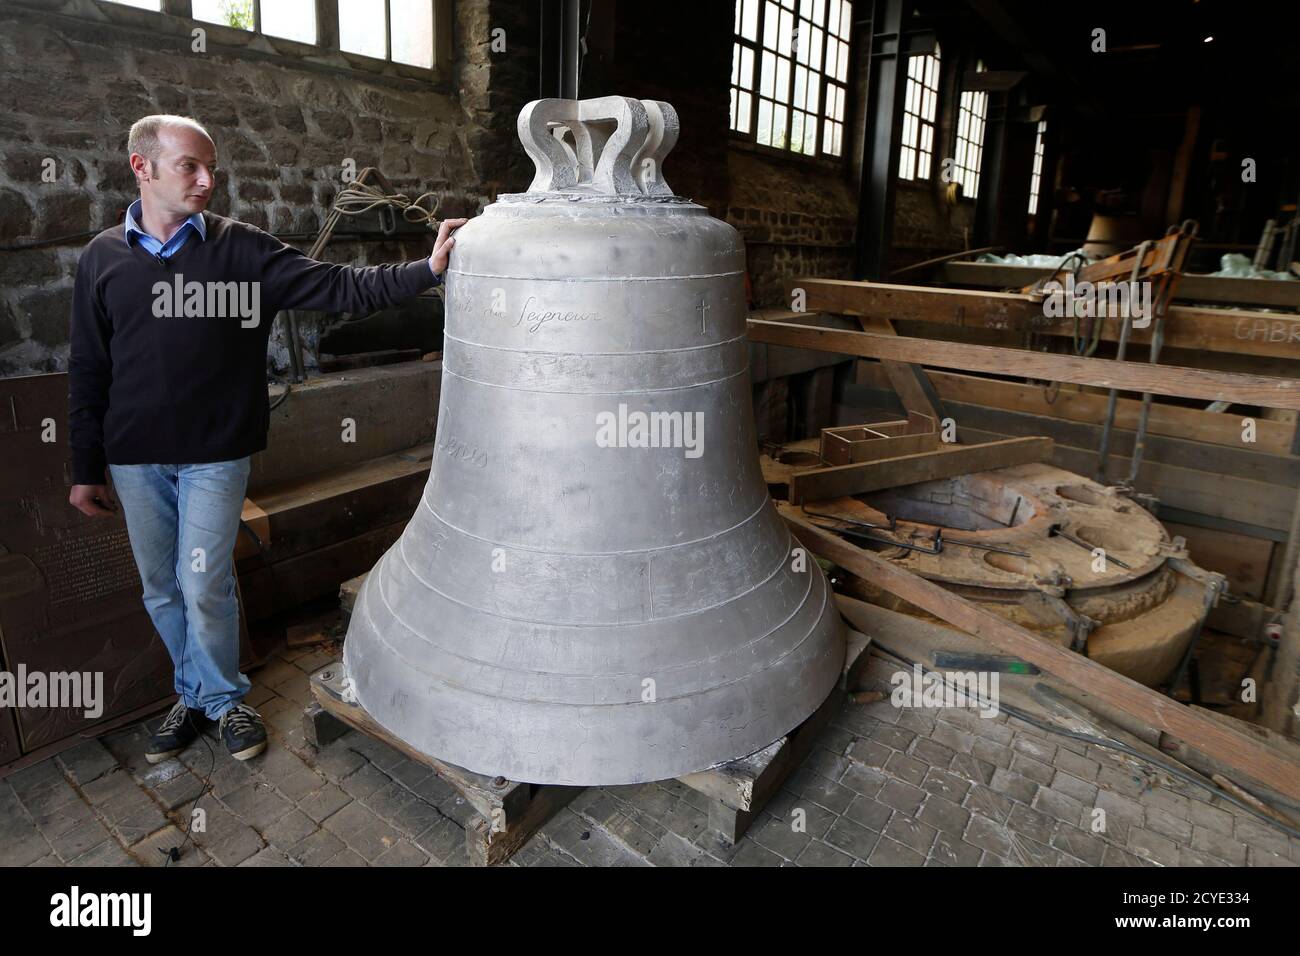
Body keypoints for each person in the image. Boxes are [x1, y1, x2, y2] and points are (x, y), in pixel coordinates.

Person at [67, 114, 466, 764]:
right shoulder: (103, 260)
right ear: (141, 168)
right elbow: (89, 366)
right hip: (133, 457)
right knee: (161, 587)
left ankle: (223, 702)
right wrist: (84, 466)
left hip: (215, 453)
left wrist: (427, 267)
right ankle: (192, 695)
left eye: (211, 167)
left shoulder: (241, 249)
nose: (206, 181)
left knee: (202, 581)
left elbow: (339, 285)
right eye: (189, 166)